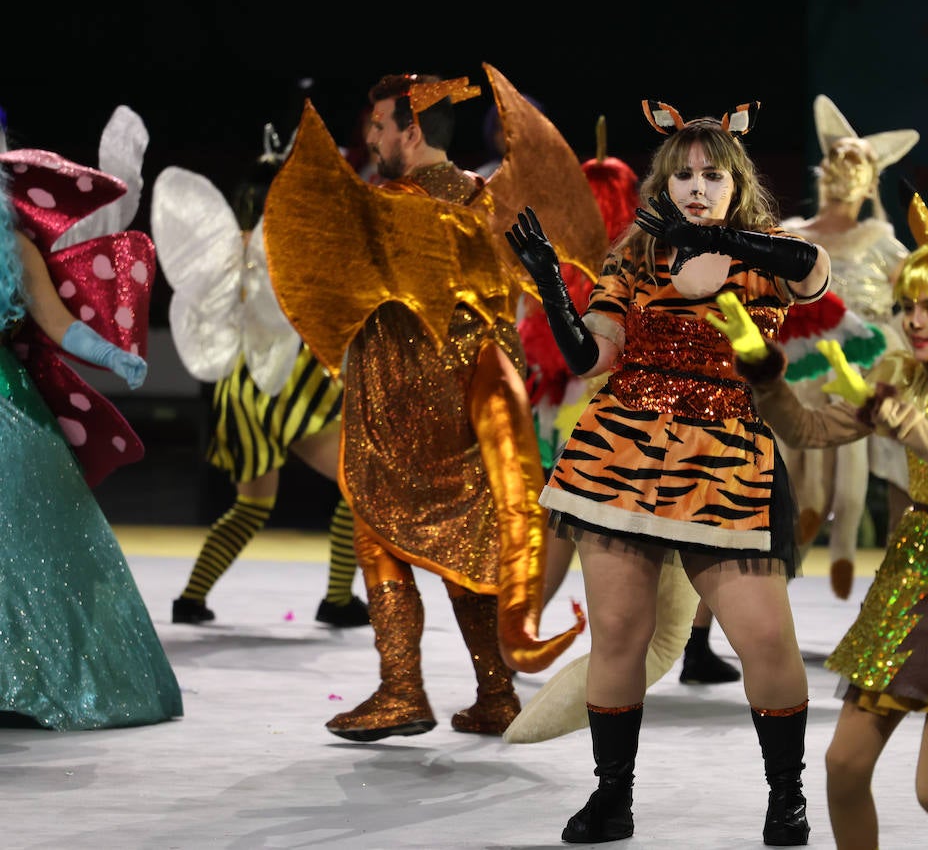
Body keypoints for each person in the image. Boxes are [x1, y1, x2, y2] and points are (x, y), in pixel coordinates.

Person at [504, 98, 829, 845]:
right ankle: (611, 799)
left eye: (711, 175)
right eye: (681, 174)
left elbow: (814, 274)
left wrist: (722, 245)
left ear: (735, 183)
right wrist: (555, 288)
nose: (694, 185)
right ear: (663, 181)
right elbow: (592, 357)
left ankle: (787, 797)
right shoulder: (635, 255)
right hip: (622, 456)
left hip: (722, 462)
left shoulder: (767, 253)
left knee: (767, 641)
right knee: (619, 636)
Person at [261, 68, 591, 740]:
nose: (370, 135)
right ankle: (496, 691)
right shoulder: (493, 200)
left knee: (379, 534)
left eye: (379, 125)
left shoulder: (390, 204)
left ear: (411, 129)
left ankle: (401, 688)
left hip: (404, 406)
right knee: (463, 542)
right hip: (479, 405)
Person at [709, 190, 928, 850]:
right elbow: (804, 431)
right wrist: (764, 373)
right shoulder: (901, 373)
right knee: (843, 765)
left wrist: (895, 414)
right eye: (907, 307)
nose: (914, 322)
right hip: (913, 566)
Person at [1, 134, 183, 730]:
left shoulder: (15, 246)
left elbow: (56, 323)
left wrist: (113, 354)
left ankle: (33, 683)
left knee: (35, 548)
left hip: (8, 412)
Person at [152, 129, 368, 628]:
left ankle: (190, 598)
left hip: (238, 388)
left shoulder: (234, 245)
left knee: (251, 507)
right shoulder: (293, 247)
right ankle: (337, 598)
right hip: (289, 387)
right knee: (359, 485)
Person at [777, 94, 920, 600]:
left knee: (885, 462)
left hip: (869, 367)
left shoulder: (879, 243)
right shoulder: (792, 238)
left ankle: (895, 591)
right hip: (807, 371)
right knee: (805, 474)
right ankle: (797, 562)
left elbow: (920, 291)